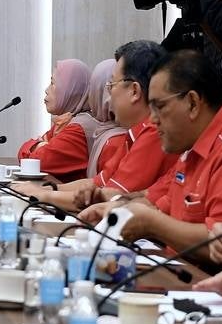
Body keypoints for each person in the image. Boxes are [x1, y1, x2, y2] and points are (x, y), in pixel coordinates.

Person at [79, 49, 222, 264]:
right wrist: (118, 210)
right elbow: (160, 204)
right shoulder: (190, 147)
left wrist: (152, 224)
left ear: (193, 103)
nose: (153, 119)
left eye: (160, 107)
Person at [16, 42, 177, 212]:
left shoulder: (153, 133)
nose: (108, 96)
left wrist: (43, 194)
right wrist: (45, 191)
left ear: (134, 91)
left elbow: (112, 198)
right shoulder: (133, 133)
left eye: (111, 85)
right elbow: (97, 185)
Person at [16, 59, 94, 182]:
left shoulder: (78, 129)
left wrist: (40, 145)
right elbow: (23, 151)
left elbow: (33, 163)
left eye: (52, 83)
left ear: (71, 90)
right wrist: (40, 145)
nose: (46, 90)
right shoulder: (67, 120)